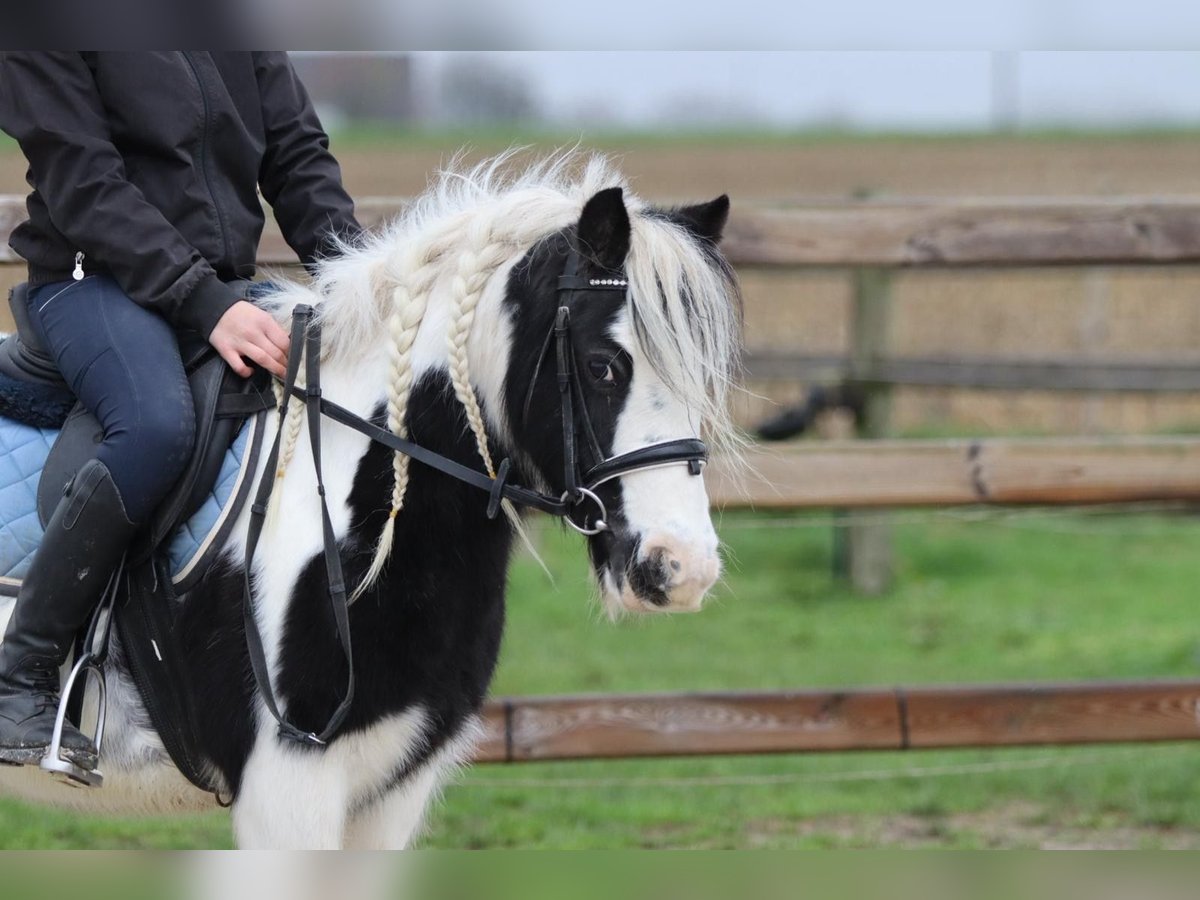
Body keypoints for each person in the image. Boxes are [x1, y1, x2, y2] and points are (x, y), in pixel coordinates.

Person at [0, 52, 360, 770]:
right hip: (91, 282)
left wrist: (362, 285)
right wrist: (204, 303)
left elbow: (298, 156)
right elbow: (83, 180)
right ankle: (21, 674)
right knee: (155, 426)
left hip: (218, 284)